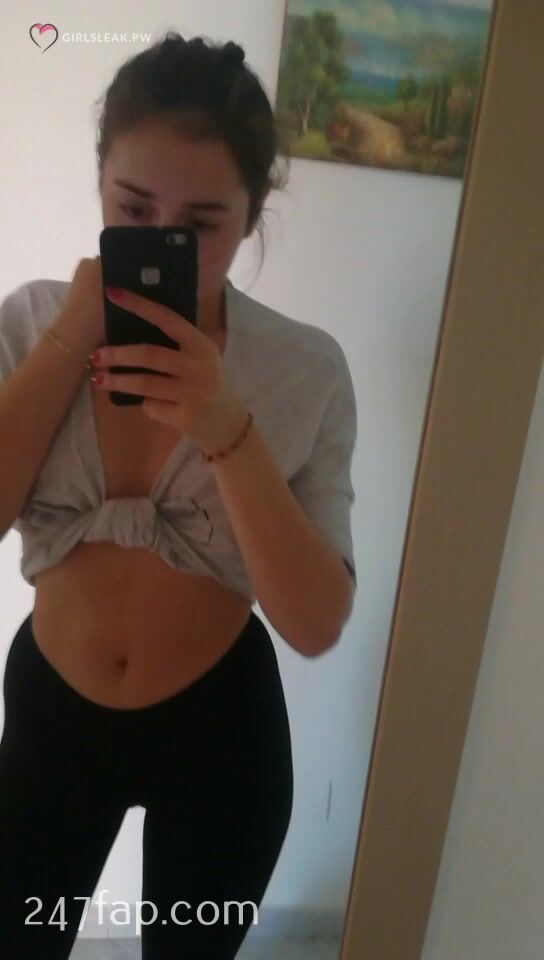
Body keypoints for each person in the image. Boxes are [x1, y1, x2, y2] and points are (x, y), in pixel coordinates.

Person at [0, 32, 358, 959]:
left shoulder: (305, 371)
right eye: (133, 208)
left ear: (252, 214)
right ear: (100, 185)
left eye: (203, 224)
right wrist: (68, 340)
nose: (164, 241)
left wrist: (227, 427)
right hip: (50, 718)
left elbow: (315, 622)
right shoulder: (29, 321)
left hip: (221, 740)